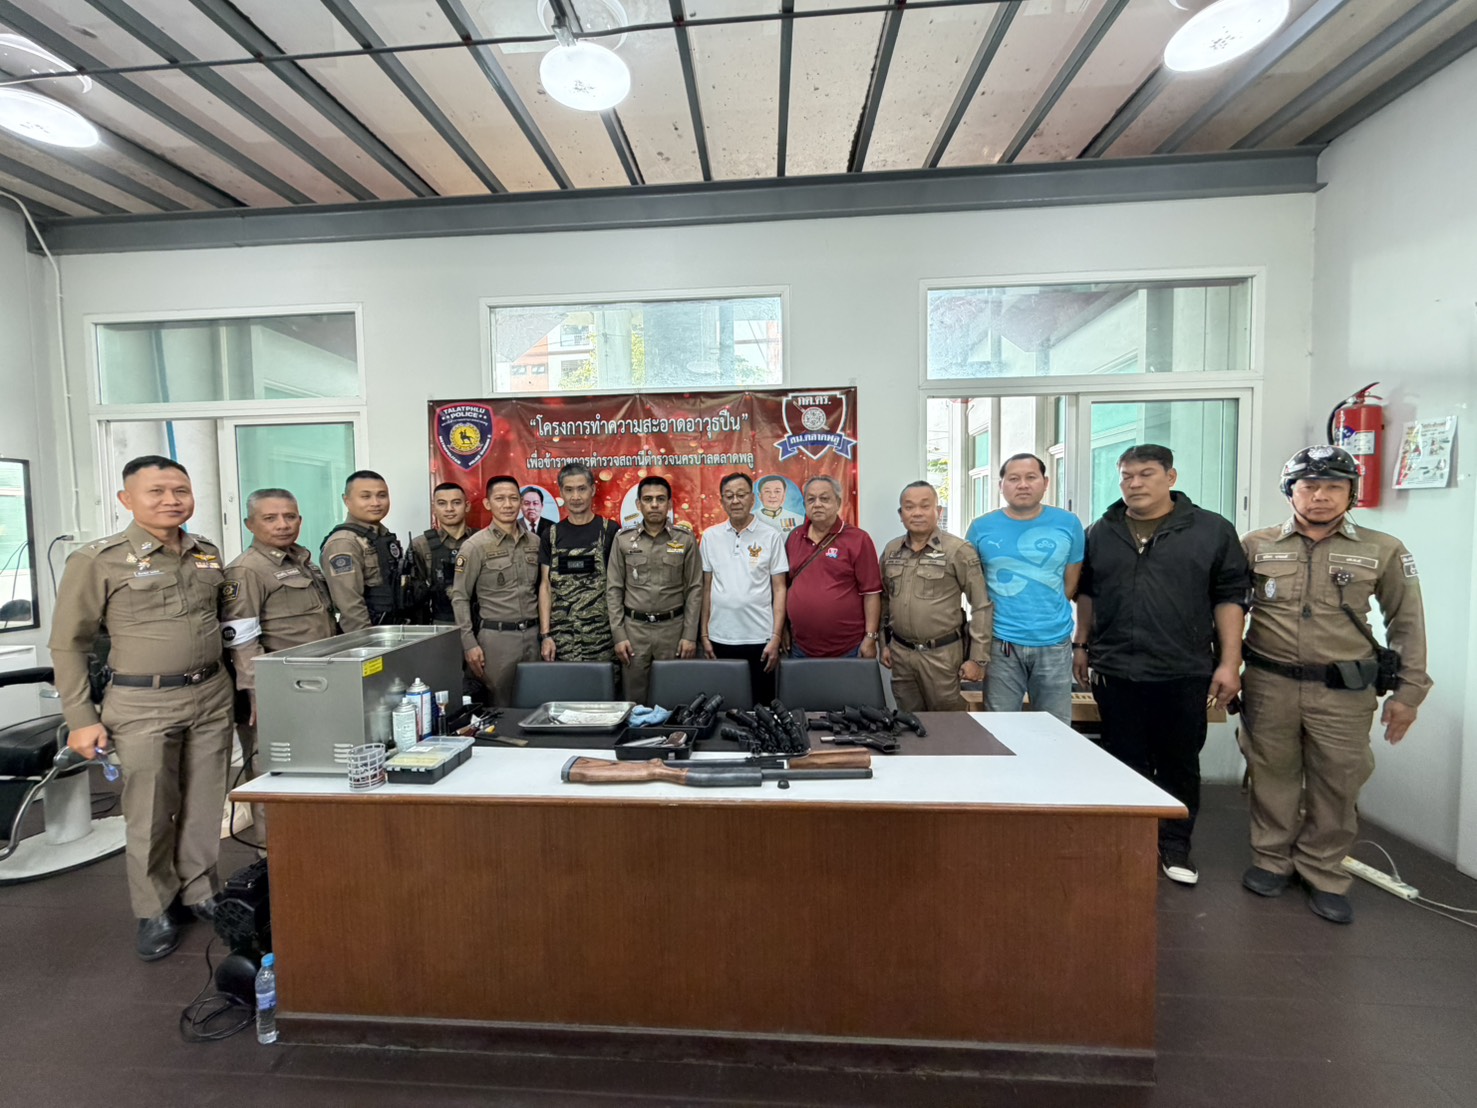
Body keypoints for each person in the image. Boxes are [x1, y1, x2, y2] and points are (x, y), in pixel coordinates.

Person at [48, 456, 233, 961]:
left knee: (205, 800)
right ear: (126, 499)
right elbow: (68, 643)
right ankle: (154, 907)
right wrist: (80, 719)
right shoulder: (98, 560)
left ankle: (200, 890)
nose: (171, 500)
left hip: (211, 692)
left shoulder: (206, 554)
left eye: (180, 490)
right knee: (149, 808)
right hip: (141, 701)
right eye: (156, 491)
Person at [1239, 446, 1431, 924]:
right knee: (1270, 774)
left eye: (1333, 487)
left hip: (1343, 690)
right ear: (1290, 492)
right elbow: (1226, 611)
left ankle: (1323, 871)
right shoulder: (1256, 545)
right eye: (1309, 486)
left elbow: (1407, 623)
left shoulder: (1383, 549)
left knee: (1339, 780)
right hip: (1269, 683)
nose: (1320, 496)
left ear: (1351, 493)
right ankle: (1271, 859)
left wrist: (1409, 693)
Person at [1073, 444, 1250, 888]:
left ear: (1171, 478)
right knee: (1123, 758)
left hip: (1183, 670)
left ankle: (1175, 844)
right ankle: (1131, 842)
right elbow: (1088, 593)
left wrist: (1230, 662)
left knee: (1179, 763)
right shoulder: (1102, 531)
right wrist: (1081, 644)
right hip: (1116, 669)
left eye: (1146, 474)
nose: (1134, 484)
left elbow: (1230, 598)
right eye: (1126, 476)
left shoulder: (1210, 530)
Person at [220, 488, 338, 846]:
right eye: (270, 518)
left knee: (312, 766)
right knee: (272, 771)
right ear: (249, 524)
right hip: (277, 688)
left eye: (290, 516)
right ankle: (270, 855)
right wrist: (257, 691)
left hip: (315, 681)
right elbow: (241, 638)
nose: (283, 524)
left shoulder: (302, 560)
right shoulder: (247, 569)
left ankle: (310, 846)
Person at [966, 453, 1084, 725]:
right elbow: (974, 584)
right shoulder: (981, 528)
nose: (1022, 485)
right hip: (1000, 642)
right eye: (1013, 478)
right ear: (1001, 485)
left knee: (1055, 728)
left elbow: (1070, 581)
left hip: (1054, 642)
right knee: (1001, 727)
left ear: (1045, 482)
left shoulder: (1068, 523)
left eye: (1031, 477)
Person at [879, 481, 992, 712]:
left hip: (942, 656)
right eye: (909, 507)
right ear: (901, 514)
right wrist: (884, 644)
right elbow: (884, 601)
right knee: (908, 721)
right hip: (901, 655)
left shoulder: (958, 550)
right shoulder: (892, 550)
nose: (917, 512)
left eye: (925, 506)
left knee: (949, 724)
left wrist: (977, 659)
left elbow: (981, 605)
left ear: (938, 511)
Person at [606, 476, 702, 704]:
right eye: (648, 499)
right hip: (634, 632)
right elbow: (614, 590)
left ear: (669, 504)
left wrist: (689, 636)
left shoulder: (685, 539)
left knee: (674, 697)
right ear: (638, 505)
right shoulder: (623, 540)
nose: (655, 505)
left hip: (673, 631)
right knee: (634, 700)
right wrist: (619, 636)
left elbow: (695, 589)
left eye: (660, 499)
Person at [450, 475, 540, 706]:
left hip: (533, 637)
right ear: (488, 503)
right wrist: (469, 643)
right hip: (497, 641)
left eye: (513, 498)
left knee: (535, 703)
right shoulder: (475, 546)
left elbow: (542, 589)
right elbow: (460, 598)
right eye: (500, 499)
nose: (507, 505)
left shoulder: (535, 542)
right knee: (500, 707)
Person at [701, 472, 789, 704]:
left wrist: (776, 636)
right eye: (729, 496)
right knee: (724, 705)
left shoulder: (771, 536)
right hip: (720, 637)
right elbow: (706, 588)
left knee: (762, 706)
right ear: (721, 501)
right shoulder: (710, 537)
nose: (735, 501)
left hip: (760, 638)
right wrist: (704, 634)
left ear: (752, 499)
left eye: (741, 495)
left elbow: (780, 589)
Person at [783, 475, 882, 659]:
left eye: (824, 498)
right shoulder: (794, 537)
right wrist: (783, 629)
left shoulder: (858, 539)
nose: (817, 504)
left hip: (848, 648)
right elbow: (785, 587)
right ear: (804, 505)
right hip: (800, 647)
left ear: (838, 503)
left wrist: (870, 637)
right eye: (811, 499)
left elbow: (872, 593)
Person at [539, 463, 618, 662]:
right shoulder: (551, 535)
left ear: (593, 490)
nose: (576, 496)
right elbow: (545, 586)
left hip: (603, 639)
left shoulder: (609, 531)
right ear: (561, 493)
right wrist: (546, 635)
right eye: (569, 490)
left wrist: (620, 635)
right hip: (562, 640)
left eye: (582, 489)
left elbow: (618, 586)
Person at [320, 470, 406, 631]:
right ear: (346, 500)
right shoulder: (344, 543)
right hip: (368, 634)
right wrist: (367, 641)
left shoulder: (382, 536)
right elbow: (350, 606)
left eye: (382, 495)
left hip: (392, 629)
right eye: (365, 496)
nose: (376, 503)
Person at [408, 482, 478, 626]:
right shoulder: (420, 545)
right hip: (438, 623)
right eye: (442, 503)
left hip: (479, 622)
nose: (449, 509)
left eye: (456, 503)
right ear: (434, 508)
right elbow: (414, 595)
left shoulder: (481, 540)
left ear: (467, 506)